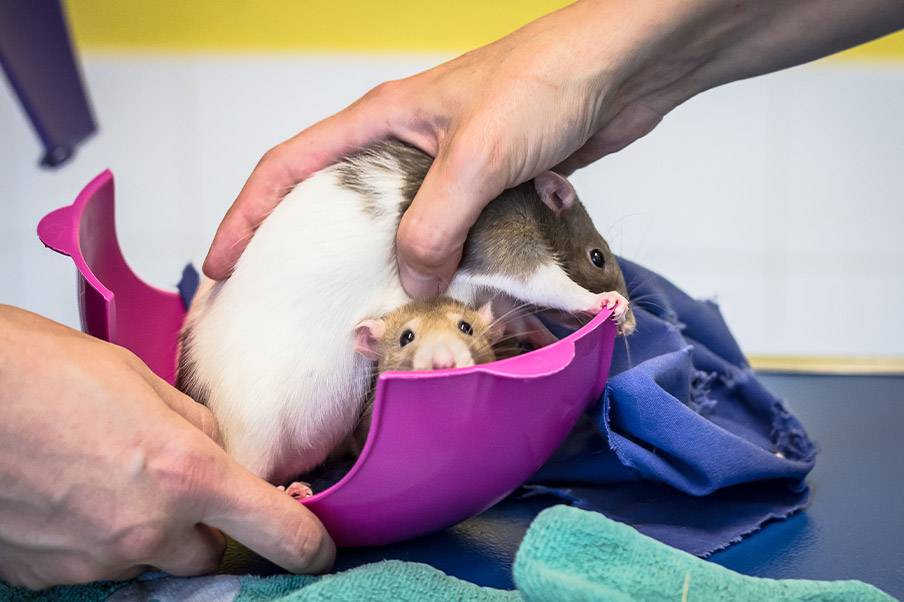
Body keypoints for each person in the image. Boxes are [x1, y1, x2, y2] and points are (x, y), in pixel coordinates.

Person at [2, 0, 902, 589]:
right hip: (258, 387)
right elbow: (518, 267)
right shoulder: (509, 232)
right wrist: (596, 298)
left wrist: (593, 65)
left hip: (279, 356)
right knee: (247, 451)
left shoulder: (481, 225)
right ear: (551, 197)